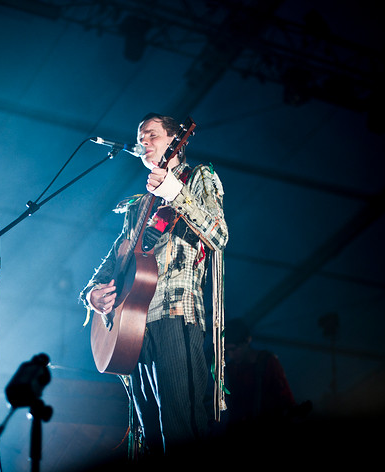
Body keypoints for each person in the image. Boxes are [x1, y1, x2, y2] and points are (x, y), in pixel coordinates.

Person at [80, 113, 228, 456]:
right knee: (149, 433)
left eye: (151, 135)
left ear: (177, 139)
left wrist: (173, 191)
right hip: (133, 326)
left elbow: (219, 235)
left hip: (175, 313)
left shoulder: (197, 177)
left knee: (181, 426)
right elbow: (113, 261)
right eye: (140, 137)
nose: (143, 141)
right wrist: (92, 295)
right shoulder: (140, 205)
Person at [223, 318, 304, 429]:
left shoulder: (267, 361)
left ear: (247, 340)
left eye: (234, 349)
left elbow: (285, 396)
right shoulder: (231, 368)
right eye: (227, 351)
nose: (231, 355)